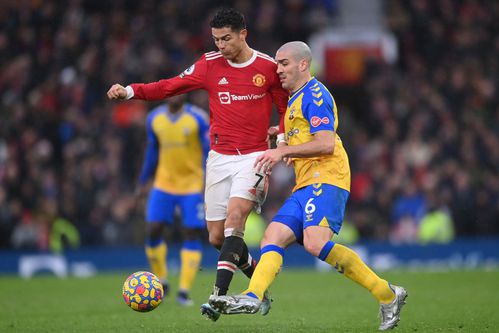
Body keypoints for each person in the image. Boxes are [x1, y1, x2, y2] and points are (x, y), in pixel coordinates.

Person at [208, 41, 408, 331]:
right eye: (276, 64)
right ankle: (253, 296)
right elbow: (302, 132)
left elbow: (326, 143)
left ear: (303, 64)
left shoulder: (315, 94)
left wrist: (281, 152)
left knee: (315, 243)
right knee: (271, 238)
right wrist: (282, 135)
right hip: (305, 183)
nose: (278, 70)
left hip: (327, 177)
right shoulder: (294, 99)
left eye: (284, 64)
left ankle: (387, 294)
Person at [107, 8, 288, 321]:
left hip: (254, 157)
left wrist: (282, 141)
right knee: (217, 238)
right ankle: (258, 285)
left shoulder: (267, 68)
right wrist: (130, 91)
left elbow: (285, 108)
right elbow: (170, 86)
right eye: (216, 39)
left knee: (235, 220)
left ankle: (218, 296)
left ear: (243, 34)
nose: (220, 45)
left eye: (226, 39)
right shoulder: (209, 64)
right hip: (219, 159)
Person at [136, 94, 209, 306]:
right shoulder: (154, 118)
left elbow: (207, 152)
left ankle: (184, 290)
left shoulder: (198, 118)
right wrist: (142, 181)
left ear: (185, 94)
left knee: (191, 232)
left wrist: (208, 180)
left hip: (192, 184)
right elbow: (152, 152)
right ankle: (162, 279)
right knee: (153, 229)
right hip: (163, 184)